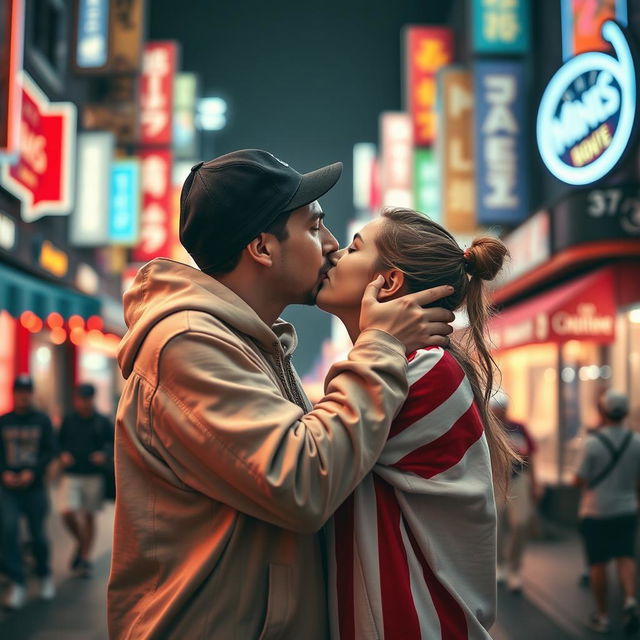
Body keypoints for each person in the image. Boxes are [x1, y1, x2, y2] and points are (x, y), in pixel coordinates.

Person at [107, 149, 455, 639]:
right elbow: (303, 481)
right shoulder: (187, 344)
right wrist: (383, 346)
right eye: (314, 227)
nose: (332, 245)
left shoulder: (251, 343)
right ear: (263, 249)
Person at [316, 207, 514, 639]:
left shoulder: (424, 371)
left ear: (386, 282)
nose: (332, 255)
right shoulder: (410, 366)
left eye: (353, 249)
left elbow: (313, 458)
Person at [574, 390, 640, 635]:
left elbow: (578, 479)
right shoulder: (637, 442)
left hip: (596, 510)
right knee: (626, 556)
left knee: (598, 563)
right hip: (627, 508)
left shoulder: (592, 443)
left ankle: (602, 616)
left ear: (602, 412)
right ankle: (630, 600)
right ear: (625, 413)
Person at [0, 375, 57, 609]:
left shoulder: (42, 421)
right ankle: (18, 581)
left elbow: (51, 450)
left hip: (34, 488)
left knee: (38, 535)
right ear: (14, 393)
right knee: (9, 530)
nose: (24, 395)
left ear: (31, 393)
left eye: (27, 391)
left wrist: (33, 471)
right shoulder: (4, 421)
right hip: (8, 489)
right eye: (20, 391)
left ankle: (43, 574)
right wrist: (3, 472)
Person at [58, 383, 114, 578]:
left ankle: (85, 556)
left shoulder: (101, 421)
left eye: (87, 399)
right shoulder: (69, 420)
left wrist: (103, 455)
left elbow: (112, 443)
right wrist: (62, 454)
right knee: (67, 512)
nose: (84, 403)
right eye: (81, 399)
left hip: (93, 474)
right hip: (72, 473)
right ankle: (82, 543)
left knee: (89, 515)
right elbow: (58, 442)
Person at [490, 389, 539, 593]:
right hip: (497, 480)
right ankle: (499, 564)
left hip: (518, 479)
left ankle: (515, 568)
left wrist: (535, 482)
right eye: (496, 409)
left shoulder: (518, 427)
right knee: (497, 525)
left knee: (521, 522)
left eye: (503, 408)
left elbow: (531, 457)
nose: (500, 412)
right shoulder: (488, 428)